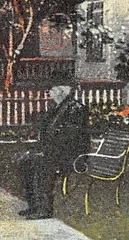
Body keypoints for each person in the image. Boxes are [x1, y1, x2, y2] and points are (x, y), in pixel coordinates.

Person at [14, 85, 90, 219]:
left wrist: (46, 151)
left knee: (41, 163)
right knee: (25, 161)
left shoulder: (76, 108)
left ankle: (44, 209)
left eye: (52, 90)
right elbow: (46, 131)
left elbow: (70, 138)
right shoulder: (56, 107)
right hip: (56, 151)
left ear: (62, 91)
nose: (49, 93)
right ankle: (34, 206)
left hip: (72, 155)